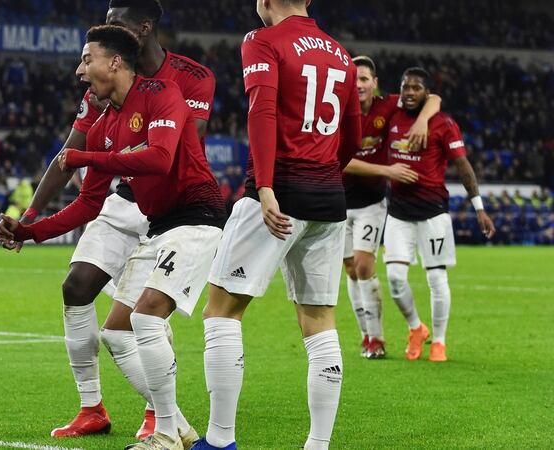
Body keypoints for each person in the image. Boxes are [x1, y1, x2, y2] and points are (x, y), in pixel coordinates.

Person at [0, 25, 226, 450]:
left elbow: (158, 158)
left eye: (87, 60)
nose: (81, 71)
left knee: (145, 317)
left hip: (197, 217)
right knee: (117, 332)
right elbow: (87, 204)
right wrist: (30, 231)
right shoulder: (104, 126)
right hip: (158, 226)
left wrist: (82, 156)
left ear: (115, 62)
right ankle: (180, 429)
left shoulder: (162, 94)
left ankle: (163, 435)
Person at [190, 1, 360, 449]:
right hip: (328, 200)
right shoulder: (341, 54)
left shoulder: (261, 40)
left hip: (277, 195)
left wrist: (265, 186)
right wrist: (325, 173)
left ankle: (221, 440)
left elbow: (261, 111)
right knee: (320, 321)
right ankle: (318, 445)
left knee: (222, 311)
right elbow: (354, 137)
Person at [383, 67, 495, 363]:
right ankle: (416, 328)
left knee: (436, 279)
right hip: (398, 213)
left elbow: (463, 166)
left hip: (433, 213)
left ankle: (440, 342)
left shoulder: (444, 123)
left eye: (416, 88)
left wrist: (479, 208)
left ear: (426, 93)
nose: (409, 93)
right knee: (394, 278)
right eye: (405, 87)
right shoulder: (392, 114)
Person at [340, 55, 442, 359]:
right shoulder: (336, 110)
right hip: (338, 202)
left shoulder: (388, 106)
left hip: (371, 203)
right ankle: (366, 336)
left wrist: (423, 118)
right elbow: (340, 161)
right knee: (349, 270)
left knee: (363, 266)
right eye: (353, 79)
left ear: (375, 84)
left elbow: (433, 97)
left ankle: (378, 338)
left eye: (363, 79)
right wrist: (387, 171)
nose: (358, 84)